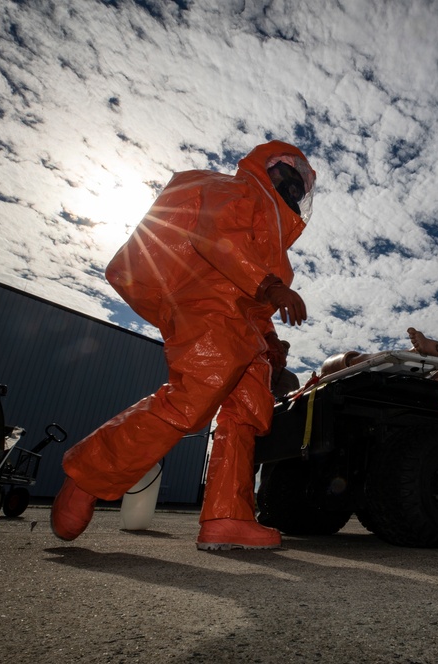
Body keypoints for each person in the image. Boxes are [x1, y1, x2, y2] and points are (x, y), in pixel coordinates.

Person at [51, 140, 316, 551]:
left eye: (301, 188)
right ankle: (89, 473)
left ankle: (227, 517)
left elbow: (257, 307)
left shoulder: (276, 244)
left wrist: (270, 340)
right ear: (271, 170)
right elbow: (217, 236)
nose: (295, 192)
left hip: (242, 327)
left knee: (246, 415)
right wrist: (270, 285)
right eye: (290, 180)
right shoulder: (237, 190)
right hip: (206, 305)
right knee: (191, 399)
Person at [318, 327, 438, 426]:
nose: (286, 356)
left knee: (356, 361)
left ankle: (413, 352)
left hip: (331, 370)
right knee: (429, 374)